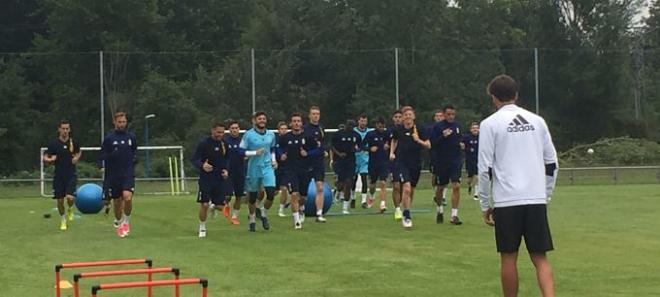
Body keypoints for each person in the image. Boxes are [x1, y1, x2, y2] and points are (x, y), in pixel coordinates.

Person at [478, 74, 558, 297]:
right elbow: (552, 164)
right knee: (540, 257)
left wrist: (485, 203)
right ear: (516, 94)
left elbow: (484, 168)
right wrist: (545, 195)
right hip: (535, 199)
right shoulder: (537, 121)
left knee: (508, 256)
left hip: (506, 201)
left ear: (493, 98)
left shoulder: (489, 124)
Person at [389, 106, 430, 228]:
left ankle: (407, 208)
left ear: (413, 117)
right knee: (406, 188)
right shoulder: (398, 130)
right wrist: (392, 152)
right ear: (402, 118)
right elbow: (394, 141)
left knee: (411, 190)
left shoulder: (420, 129)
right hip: (402, 163)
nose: (407, 117)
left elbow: (428, 145)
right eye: (405, 115)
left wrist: (418, 141)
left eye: (409, 115)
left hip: (415, 163)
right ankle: (406, 216)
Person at [99, 112, 137, 238]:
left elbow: (134, 152)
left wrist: (133, 161)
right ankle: (119, 222)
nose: (122, 124)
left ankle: (126, 222)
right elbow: (102, 155)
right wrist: (110, 157)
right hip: (113, 175)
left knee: (128, 197)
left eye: (124, 122)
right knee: (117, 201)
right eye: (119, 122)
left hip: (127, 173)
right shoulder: (109, 139)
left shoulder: (131, 137)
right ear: (115, 123)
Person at [279, 113, 321, 229]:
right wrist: (281, 154)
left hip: (305, 170)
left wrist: (307, 153)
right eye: (294, 121)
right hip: (290, 170)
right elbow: (278, 147)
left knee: (303, 197)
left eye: (298, 121)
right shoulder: (285, 137)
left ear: (301, 123)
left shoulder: (308, 136)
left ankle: (301, 209)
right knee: (294, 194)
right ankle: (297, 222)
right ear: (291, 123)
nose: (296, 123)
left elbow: (318, 149)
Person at [240, 111, 278, 232]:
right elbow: (240, 152)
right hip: (254, 167)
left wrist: (274, 160)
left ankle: (263, 213)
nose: (262, 121)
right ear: (254, 121)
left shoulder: (271, 134)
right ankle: (251, 219)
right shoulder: (248, 135)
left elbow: (272, 148)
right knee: (252, 196)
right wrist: (254, 153)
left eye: (264, 119)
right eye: (259, 119)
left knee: (271, 193)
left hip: (267, 166)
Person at [191, 122, 230, 238]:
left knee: (222, 207)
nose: (220, 134)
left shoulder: (224, 144)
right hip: (206, 178)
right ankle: (202, 227)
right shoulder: (204, 143)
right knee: (204, 204)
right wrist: (202, 165)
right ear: (212, 130)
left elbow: (227, 160)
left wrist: (226, 170)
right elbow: (194, 159)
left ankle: (214, 206)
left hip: (219, 179)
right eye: (218, 132)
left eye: (222, 132)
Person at [43, 120, 81, 231]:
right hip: (58, 176)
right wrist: (50, 159)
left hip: (71, 175)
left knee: (70, 197)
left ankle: (70, 208)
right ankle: (63, 220)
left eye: (67, 129)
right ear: (59, 129)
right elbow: (45, 158)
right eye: (63, 129)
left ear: (69, 130)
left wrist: (76, 158)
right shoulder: (54, 144)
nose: (65, 131)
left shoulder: (73, 142)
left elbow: (79, 152)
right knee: (59, 200)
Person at [430, 105, 463, 225]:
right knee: (440, 187)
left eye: (453, 114)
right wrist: (442, 137)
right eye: (448, 114)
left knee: (457, 186)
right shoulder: (437, 127)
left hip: (455, 160)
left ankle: (454, 215)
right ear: (444, 115)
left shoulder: (457, 126)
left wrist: (461, 145)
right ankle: (439, 210)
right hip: (442, 161)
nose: (451, 116)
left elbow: (459, 139)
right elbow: (432, 143)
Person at [303, 105, 328, 222]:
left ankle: (319, 214)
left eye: (317, 114)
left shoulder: (321, 129)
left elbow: (323, 146)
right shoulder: (304, 129)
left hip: (318, 162)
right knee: (303, 189)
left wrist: (324, 150)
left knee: (320, 187)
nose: (315, 116)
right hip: (306, 163)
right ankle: (301, 209)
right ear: (309, 115)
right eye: (313, 114)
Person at [331, 120, 361, 215]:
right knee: (340, 183)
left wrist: (356, 150)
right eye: (349, 125)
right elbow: (331, 146)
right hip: (339, 161)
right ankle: (336, 191)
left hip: (350, 161)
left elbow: (360, 146)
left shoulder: (356, 135)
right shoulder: (338, 134)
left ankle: (345, 207)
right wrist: (339, 154)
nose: (350, 127)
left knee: (349, 182)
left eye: (352, 126)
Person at [363, 118, 389, 213]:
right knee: (372, 183)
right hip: (373, 162)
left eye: (383, 126)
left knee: (383, 182)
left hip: (384, 162)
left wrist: (388, 147)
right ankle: (372, 196)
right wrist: (370, 149)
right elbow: (362, 145)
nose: (381, 128)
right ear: (376, 125)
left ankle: (382, 204)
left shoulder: (386, 134)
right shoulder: (370, 134)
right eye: (379, 126)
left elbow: (393, 144)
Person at [222, 120, 245, 225]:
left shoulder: (243, 141)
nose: (235, 130)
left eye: (236, 128)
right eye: (233, 128)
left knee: (239, 196)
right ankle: (226, 204)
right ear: (229, 130)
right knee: (228, 195)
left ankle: (235, 216)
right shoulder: (225, 141)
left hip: (240, 171)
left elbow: (246, 153)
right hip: (229, 171)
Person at [427, 110, 447, 209]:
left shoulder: (448, 127)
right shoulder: (431, 129)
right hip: (434, 155)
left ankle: (443, 196)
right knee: (434, 175)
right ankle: (435, 193)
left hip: (445, 156)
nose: (439, 117)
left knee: (445, 176)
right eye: (437, 116)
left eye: (440, 116)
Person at [388, 110, 404, 221]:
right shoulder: (391, 130)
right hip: (395, 161)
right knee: (396, 185)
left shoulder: (407, 129)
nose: (398, 118)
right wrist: (391, 153)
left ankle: (402, 204)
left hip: (405, 161)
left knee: (404, 186)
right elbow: (391, 141)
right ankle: (397, 209)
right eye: (396, 117)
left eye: (400, 116)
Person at [353, 114, 372, 208]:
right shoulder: (354, 131)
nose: (363, 123)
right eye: (361, 121)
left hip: (365, 158)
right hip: (355, 158)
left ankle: (364, 201)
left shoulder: (370, 132)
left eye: (365, 121)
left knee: (364, 178)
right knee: (353, 179)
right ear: (358, 121)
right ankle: (352, 197)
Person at [275, 121, 290, 218]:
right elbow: (275, 151)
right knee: (273, 192)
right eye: (282, 129)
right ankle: (260, 206)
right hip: (276, 168)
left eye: (285, 129)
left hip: (287, 168)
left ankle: (281, 210)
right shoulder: (275, 140)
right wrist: (280, 156)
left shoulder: (290, 140)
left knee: (284, 188)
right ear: (278, 130)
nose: (284, 131)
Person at [462, 122, 480, 200]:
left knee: (477, 175)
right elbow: (460, 142)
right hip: (469, 159)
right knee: (469, 179)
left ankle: (476, 194)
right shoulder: (467, 137)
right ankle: (469, 186)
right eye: (473, 128)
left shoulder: (482, 137)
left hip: (479, 159)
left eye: (476, 128)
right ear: (470, 129)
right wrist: (461, 145)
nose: (475, 129)